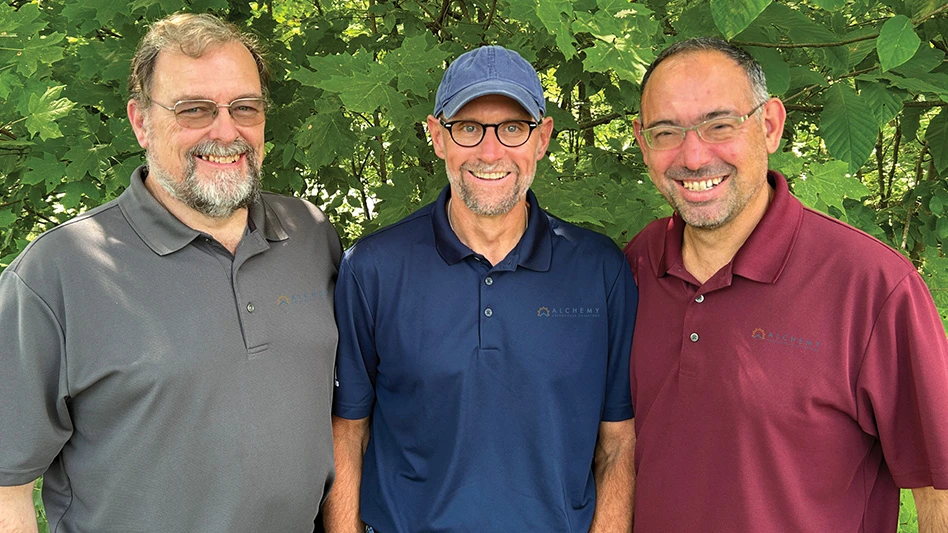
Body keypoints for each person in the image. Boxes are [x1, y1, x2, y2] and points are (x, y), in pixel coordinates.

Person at [0, 13, 340, 533]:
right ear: (141, 121)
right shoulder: (59, 272)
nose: (225, 131)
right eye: (194, 109)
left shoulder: (309, 235)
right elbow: (6, 490)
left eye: (245, 107)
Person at [624, 37, 948, 532]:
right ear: (643, 142)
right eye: (666, 132)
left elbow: (939, 488)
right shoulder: (636, 265)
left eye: (720, 125)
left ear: (770, 125)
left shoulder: (872, 286)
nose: (693, 156)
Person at [323, 45, 637, 532]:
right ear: (437, 136)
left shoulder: (598, 270)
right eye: (468, 128)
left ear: (542, 138)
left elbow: (617, 444)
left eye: (513, 128)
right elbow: (348, 433)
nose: (490, 153)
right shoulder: (373, 269)